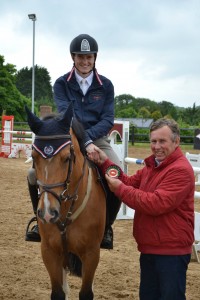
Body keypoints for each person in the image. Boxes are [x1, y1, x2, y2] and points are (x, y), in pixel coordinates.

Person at [25, 33, 121, 250]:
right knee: (32, 175)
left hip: (99, 139)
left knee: (118, 172)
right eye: (80, 57)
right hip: (67, 138)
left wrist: (89, 139)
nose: (85, 61)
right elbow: (69, 116)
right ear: (73, 57)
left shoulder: (106, 85)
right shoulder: (61, 83)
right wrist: (83, 141)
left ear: (95, 58)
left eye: (89, 57)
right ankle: (39, 222)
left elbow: (108, 119)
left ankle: (107, 227)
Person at [88, 118, 195, 300]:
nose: (156, 146)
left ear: (176, 142)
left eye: (162, 141)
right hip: (150, 247)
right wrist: (105, 162)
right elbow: (129, 182)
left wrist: (119, 189)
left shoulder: (181, 170)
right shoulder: (152, 165)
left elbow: (154, 203)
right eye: (153, 141)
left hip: (171, 252)